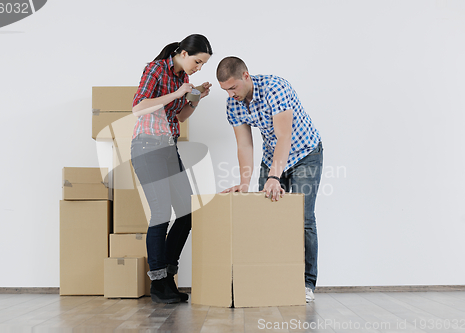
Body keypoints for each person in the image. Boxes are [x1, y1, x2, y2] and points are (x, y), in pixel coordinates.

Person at [216, 56, 322, 303]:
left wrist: (274, 176)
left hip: (305, 152)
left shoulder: (275, 88)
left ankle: (306, 283)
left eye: (233, 87)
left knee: (303, 218)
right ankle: (274, 278)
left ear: (246, 76)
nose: (231, 94)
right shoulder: (234, 104)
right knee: (267, 217)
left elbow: (284, 136)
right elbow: (244, 145)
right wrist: (244, 183)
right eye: (225, 90)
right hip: (272, 155)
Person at [130, 34, 212, 303]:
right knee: (161, 213)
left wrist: (194, 99)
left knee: (187, 212)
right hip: (146, 147)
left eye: (202, 65)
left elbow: (178, 117)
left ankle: (167, 277)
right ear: (184, 53)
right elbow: (138, 107)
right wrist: (178, 93)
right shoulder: (155, 69)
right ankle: (158, 284)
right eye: (198, 62)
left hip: (168, 148)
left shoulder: (181, 80)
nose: (198, 68)